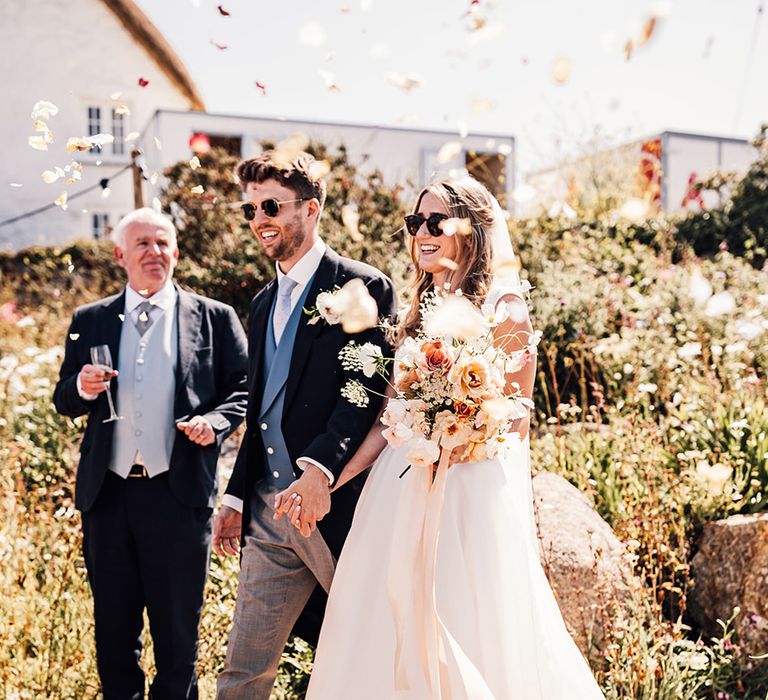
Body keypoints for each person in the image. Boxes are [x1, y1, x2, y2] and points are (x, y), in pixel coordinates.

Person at [284, 177, 605, 698]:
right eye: (416, 222)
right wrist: (331, 480)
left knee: (464, 621)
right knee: (383, 620)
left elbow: (518, 419)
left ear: (472, 230)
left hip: (470, 496)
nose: (423, 232)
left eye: (437, 221)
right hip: (402, 488)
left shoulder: (506, 308)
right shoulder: (419, 308)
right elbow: (388, 419)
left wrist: (465, 429)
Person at [213, 150, 397, 699]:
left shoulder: (362, 287)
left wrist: (320, 470)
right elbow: (261, 408)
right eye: (249, 210)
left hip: (334, 508)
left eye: (271, 205)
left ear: (311, 209)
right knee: (243, 669)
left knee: (372, 652)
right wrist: (236, 497)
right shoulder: (263, 301)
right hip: (270, 513)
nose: (259, 219)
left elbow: (362, 391)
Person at [53, 208, 248, 700]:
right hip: (108, 498)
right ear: (121, 255)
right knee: (114, 636)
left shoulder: (214, 317)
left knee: (178, 639)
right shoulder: (90, 319)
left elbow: (244, 389)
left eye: (163, 243)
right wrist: (81, 386)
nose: (154, 252)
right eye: (142, 244)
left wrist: (216, 422)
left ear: (176, 252)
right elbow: (63, 399)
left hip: (178, 498)